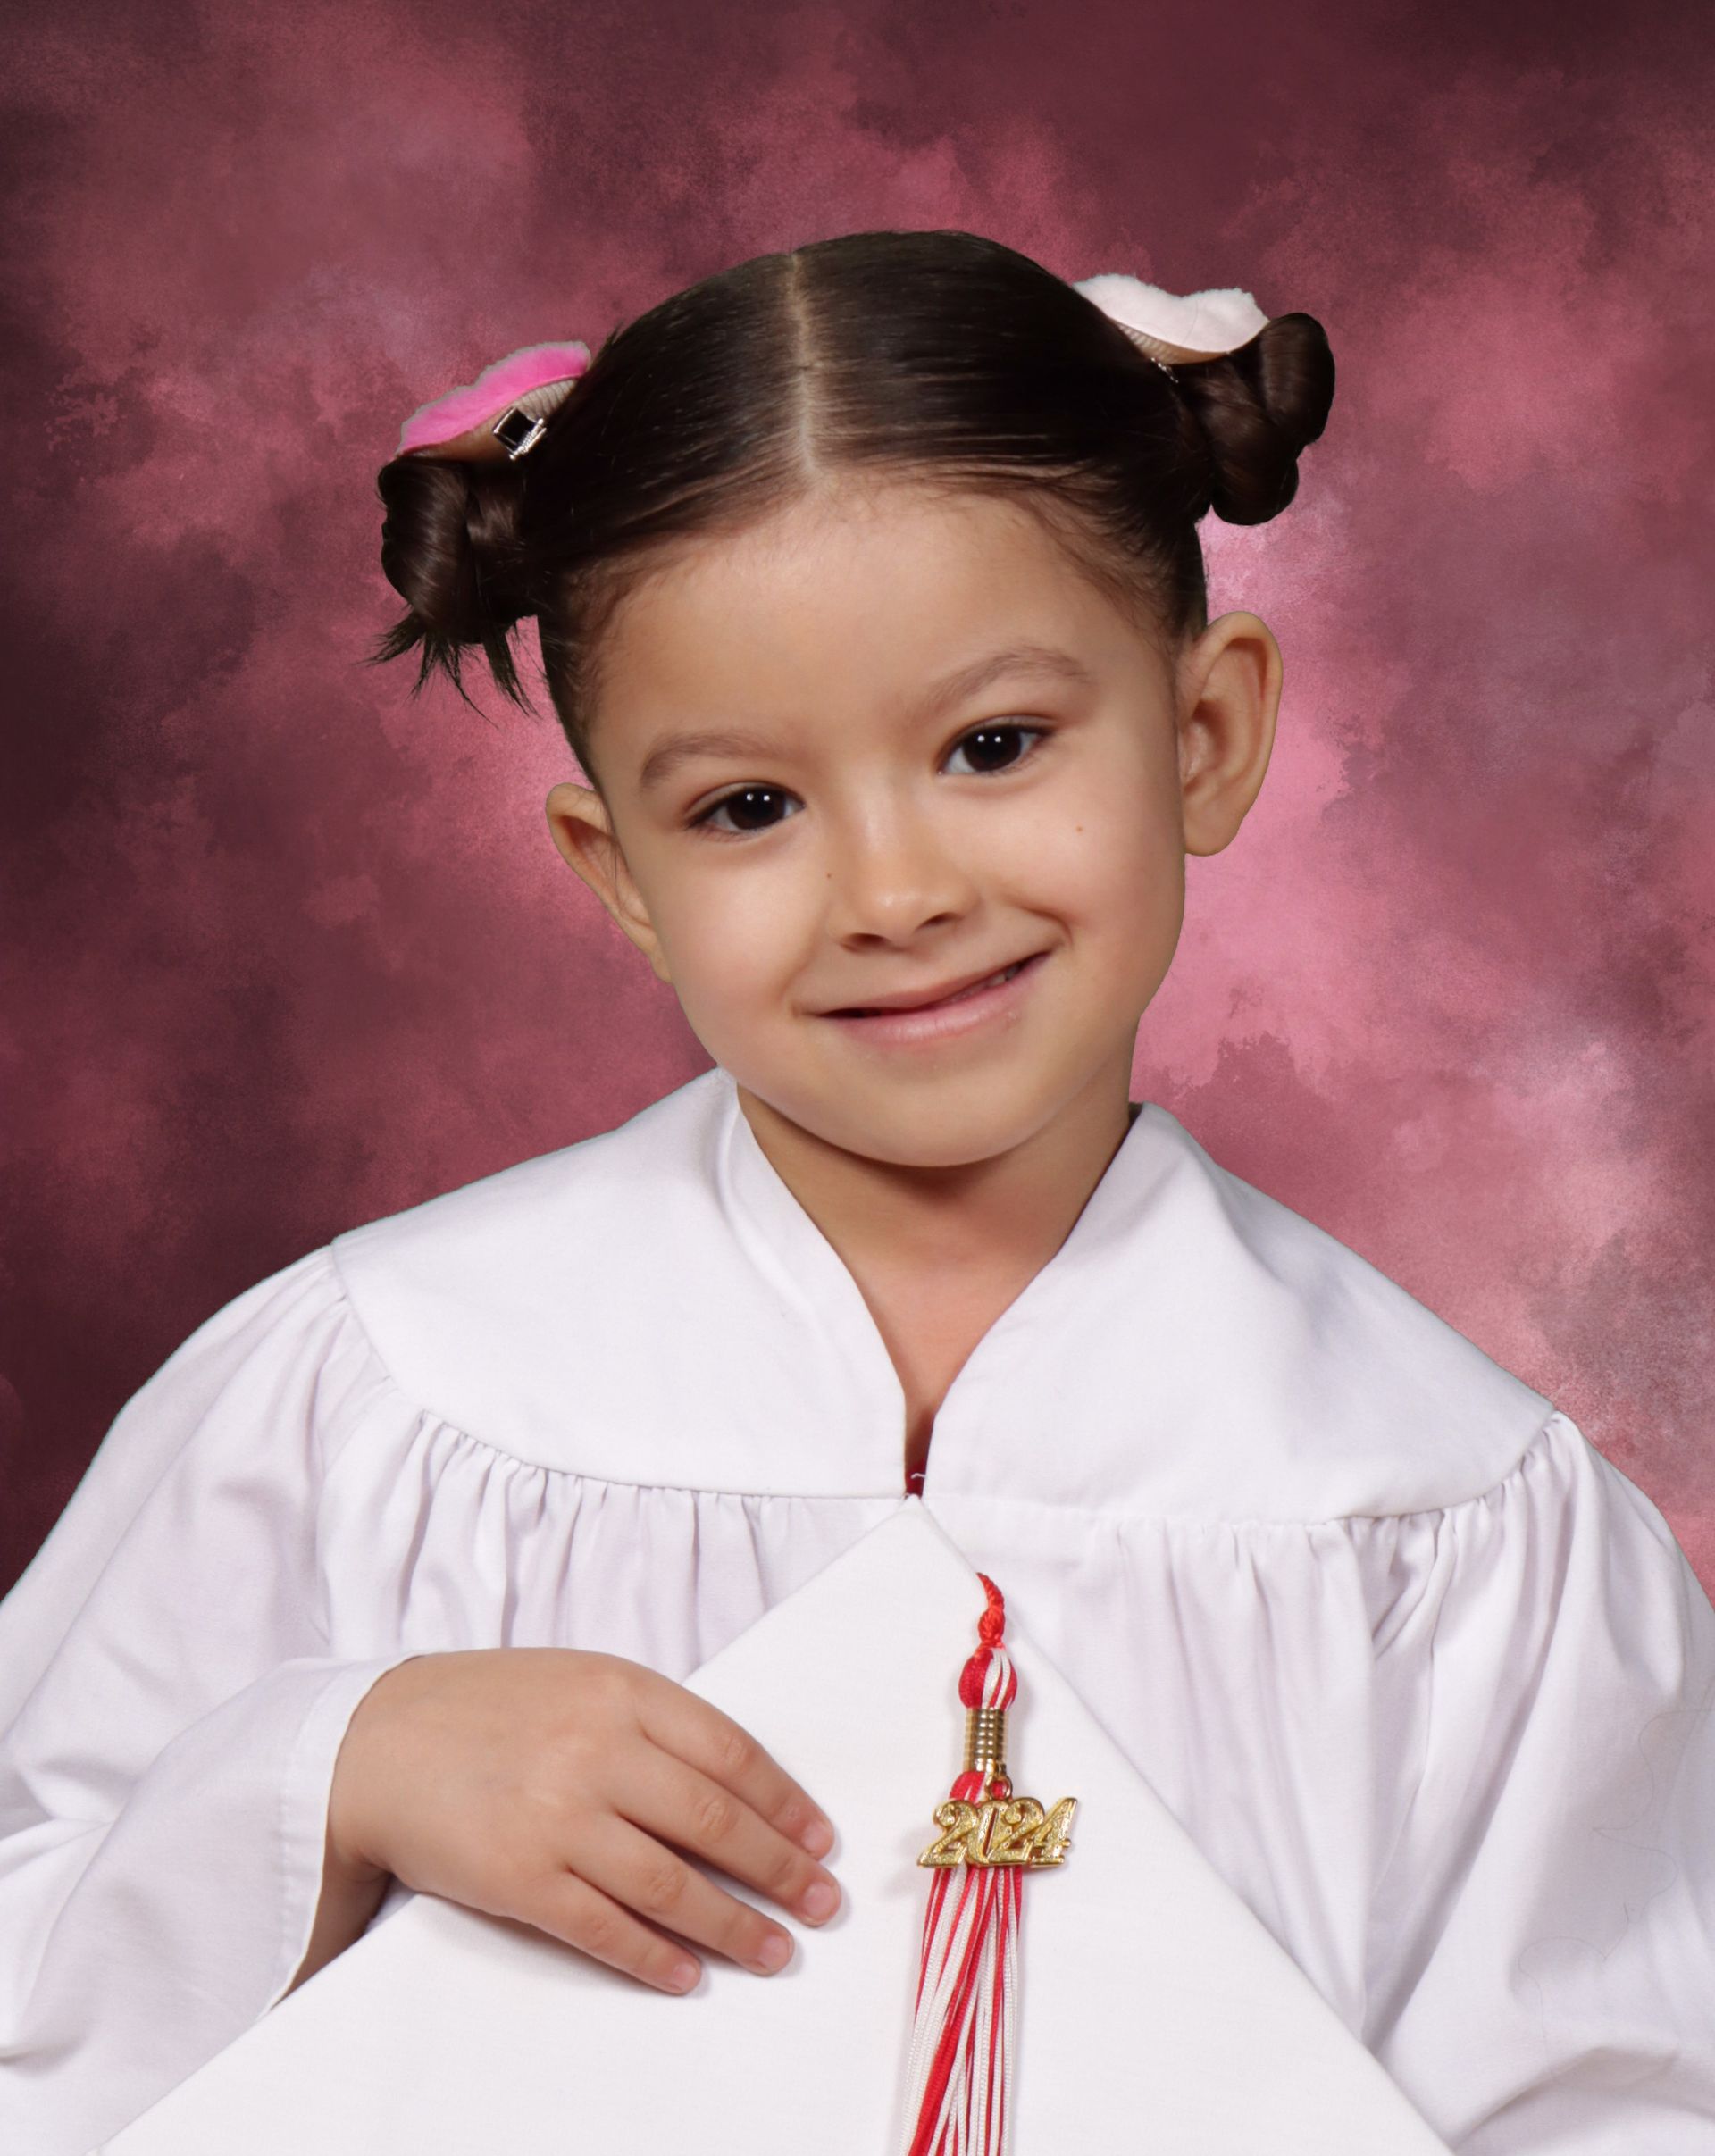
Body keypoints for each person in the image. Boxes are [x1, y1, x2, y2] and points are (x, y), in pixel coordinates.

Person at [1, 228, 1710, 2156]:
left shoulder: (1443, 1522)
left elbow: (1614, 2107)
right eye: (749, 806)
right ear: (617, 864)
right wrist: (325, 1776)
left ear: (1207, 731)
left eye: (993, 745)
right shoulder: (371, 1403)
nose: (894, 889)